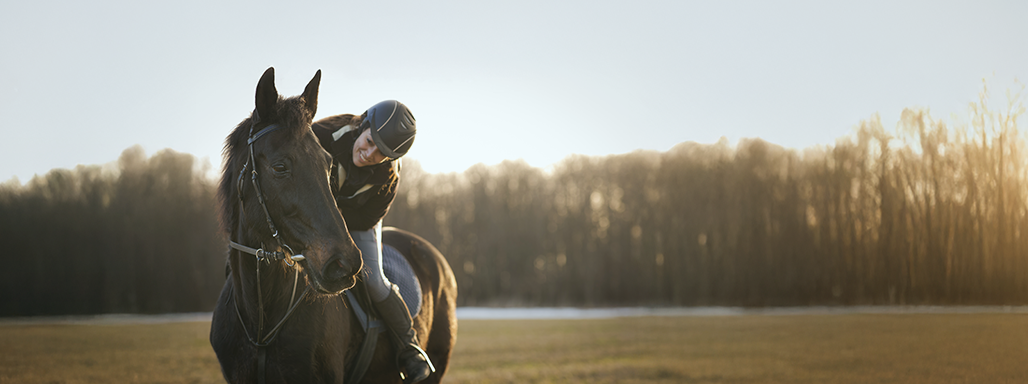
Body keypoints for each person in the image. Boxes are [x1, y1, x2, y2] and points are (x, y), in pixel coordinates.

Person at [312, 100, 433, 383]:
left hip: (357, 222)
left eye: (380, 153)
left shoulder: (388, 175)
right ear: (362, 125)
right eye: (369, 142)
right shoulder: (323, 134)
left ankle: (409, 347)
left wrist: (335, 220)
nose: (368, 153)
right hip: (314, 216)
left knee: (374, 280)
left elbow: (366, 218)